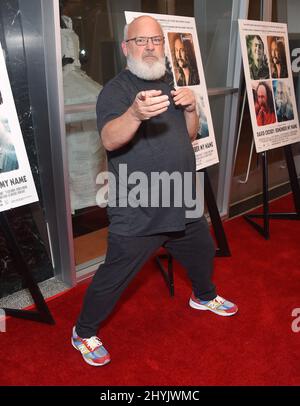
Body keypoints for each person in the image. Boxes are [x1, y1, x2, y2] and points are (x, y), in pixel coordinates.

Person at [71, 15, 238, 367]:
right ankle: (83, 332)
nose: (149, 47)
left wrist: (192, 109)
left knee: (203, 251)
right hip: (138, 204)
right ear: (126, 48)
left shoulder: (169, 82)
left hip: (180, 196)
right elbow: (109, 139)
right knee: (115, 276)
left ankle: (203, 296)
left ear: (163, 44)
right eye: (140, 41)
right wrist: (134, 114)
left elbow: (189, 136)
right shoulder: (115, 92)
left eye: (155, 40)